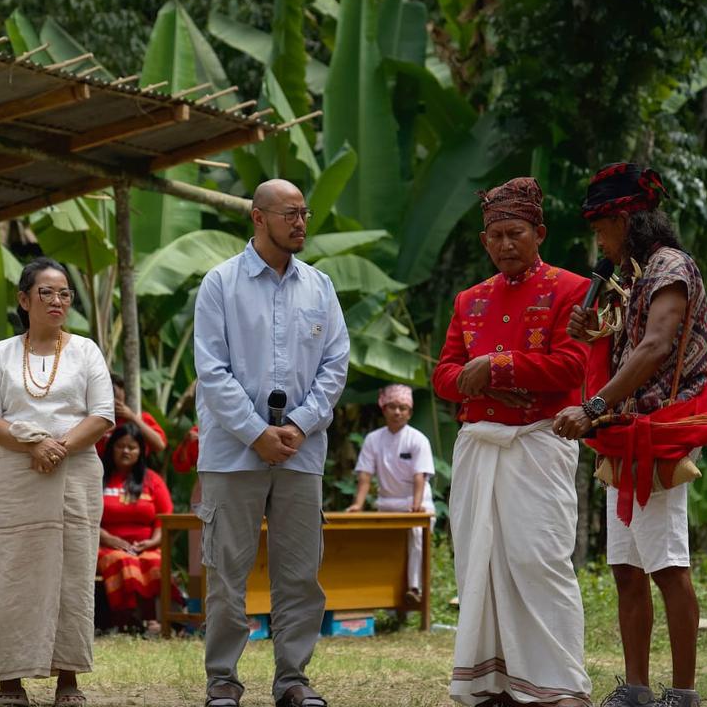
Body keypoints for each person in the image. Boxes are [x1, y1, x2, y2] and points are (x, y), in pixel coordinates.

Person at [554, 163, 707, 707]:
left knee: (667, 568)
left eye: (601, 227)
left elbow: (655, 347)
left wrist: (593, 407)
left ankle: (683, 693)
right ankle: (635, 689)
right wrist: (595, 333)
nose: (598, 240)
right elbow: (629, 343)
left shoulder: (669, 267)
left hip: (660, 434)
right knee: (627, 569)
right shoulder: (635, 277)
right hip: (629, 435)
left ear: (626, 219)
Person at [432, 177, 593, 707]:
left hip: (537, 443)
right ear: (484, 241)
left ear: (539, 233)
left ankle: (561, 684)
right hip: (480, 446)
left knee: (540, 559)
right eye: (496, 234)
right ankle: (494, 681)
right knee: (480, 562)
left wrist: (496, 366)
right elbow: (444, 376)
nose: (505, 243)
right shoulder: (469, 299)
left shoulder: (571, 289)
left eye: (516, 232)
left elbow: (573, 366)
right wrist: (468, 377)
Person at [193, 179, 349, 707]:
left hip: (301, 452)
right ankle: (222, 681)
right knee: (226, 573)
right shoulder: (220, 283)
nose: (301, 222)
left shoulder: (321, 287)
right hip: (232, 453)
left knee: (300, 573)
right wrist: (257, 433)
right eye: (290, 214)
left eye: (304, 212)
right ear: (258, 218)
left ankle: (292, 680)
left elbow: (335, 366)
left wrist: (300, 426)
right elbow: (211, 372)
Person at [0, 257, 114, 707]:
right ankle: (9, 680)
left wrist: (60, 447)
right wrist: (32, 446)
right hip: (18, 472)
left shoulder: (86, 350)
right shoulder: (0, 352)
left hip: (75, 472)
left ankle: (68, 679)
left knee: (72, 572)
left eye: (65, 293)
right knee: (11, 573)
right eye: (46, 293)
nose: (57, 301)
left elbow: (103, 415)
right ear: (23, 299)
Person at [345, 384, 435, 604]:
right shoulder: (373, 439)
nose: (397, 412)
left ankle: (414, 589)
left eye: (403, 408)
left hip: (417, 503)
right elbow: (365, 475)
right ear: (383, 409)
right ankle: (382, 594)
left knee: (416, 538)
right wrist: (358, 504)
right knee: (384, 547)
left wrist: (415, 506)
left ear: (410, 412)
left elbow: (419, 476)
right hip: (387, 503)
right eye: (393, 407)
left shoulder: (418, 439)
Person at [97, 421, 174, 633]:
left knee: (154, 561)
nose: (125, 451)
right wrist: (107, 538)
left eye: (132, 447)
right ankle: (124, 619)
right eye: (120, 445)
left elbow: (164, 518)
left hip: (145, 547)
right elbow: (86, 517)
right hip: (105, 546)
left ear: (141, 451)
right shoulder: (97, 479)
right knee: (123, 560)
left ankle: (152, 619)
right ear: (111, 447)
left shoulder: (153, 481)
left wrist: (153, 542)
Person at [95, 374, 167, 457]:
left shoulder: (140, 417)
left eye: (118, 399)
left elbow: (160, 445)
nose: (116, 403)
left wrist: (132, 417)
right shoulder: (94, 419)